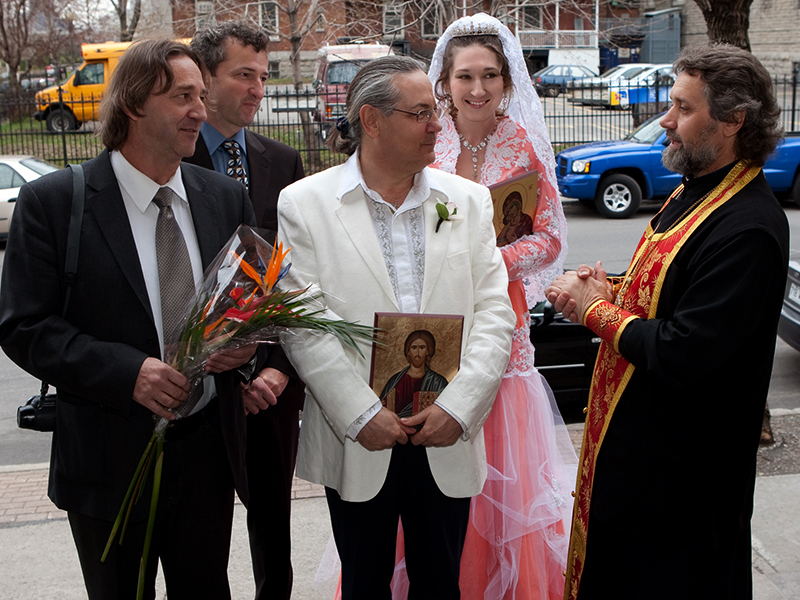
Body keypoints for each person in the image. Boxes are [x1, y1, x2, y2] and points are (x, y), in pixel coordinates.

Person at [0, 40, 259, 599]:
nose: (201, 110)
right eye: (184, 96)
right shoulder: (54, 202)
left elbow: (246, 305)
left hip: (207, 456)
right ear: (135, 104)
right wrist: (127, 372)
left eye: (202, 95)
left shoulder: (225, 198)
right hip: (107, 459)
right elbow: (24, 327)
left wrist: (244, 349)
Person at [545, 43, 790, 600]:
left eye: (682, 107)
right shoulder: (693, 189)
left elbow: (685, 349)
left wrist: (594, 310)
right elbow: (668, 299)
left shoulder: (748, 227)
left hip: (682, 493)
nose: (665, 120)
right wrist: (614, 292)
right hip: (637, 473)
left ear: (732, 119)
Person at [276, 55, 516, 600]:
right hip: (360, 436)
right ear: (371, 120)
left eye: (438, 111)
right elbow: (303, 324)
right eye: (422, 113)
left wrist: (459, 406)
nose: (439, 125)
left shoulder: (469, 202)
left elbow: (495, 314)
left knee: (441, 585)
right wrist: (362, 415)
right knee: (364, 586)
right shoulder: (305, 204)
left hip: (446, 431)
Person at [401, 13, 575, 600]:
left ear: (507, 81)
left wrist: (488, 260)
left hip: (503, 313)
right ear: (444, 81)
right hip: (432, 314)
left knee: (501, 446)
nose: (478, 90)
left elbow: (548, 238)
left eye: (491, 76)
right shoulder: (426, 141)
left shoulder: (521, 142)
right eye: (466, 77)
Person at [186, 21, 306, 600]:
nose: (258, 88)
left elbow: (299, 276)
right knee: (195, 538)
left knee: (272, 531)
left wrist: (278, 367)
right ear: (204, 79)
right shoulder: (171, 160)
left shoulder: (283, 163)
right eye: (243, 75)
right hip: (193, 385)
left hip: (271, 386)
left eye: (264, 75)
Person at [379, 330, 450, 418]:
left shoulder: (438, 382)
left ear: (428, 351)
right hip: (396, 428)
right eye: (414, 347)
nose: (417, 352)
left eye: (422, 347)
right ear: (408, 351)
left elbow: (447, 410)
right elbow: (382, 409)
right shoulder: (394, 381)